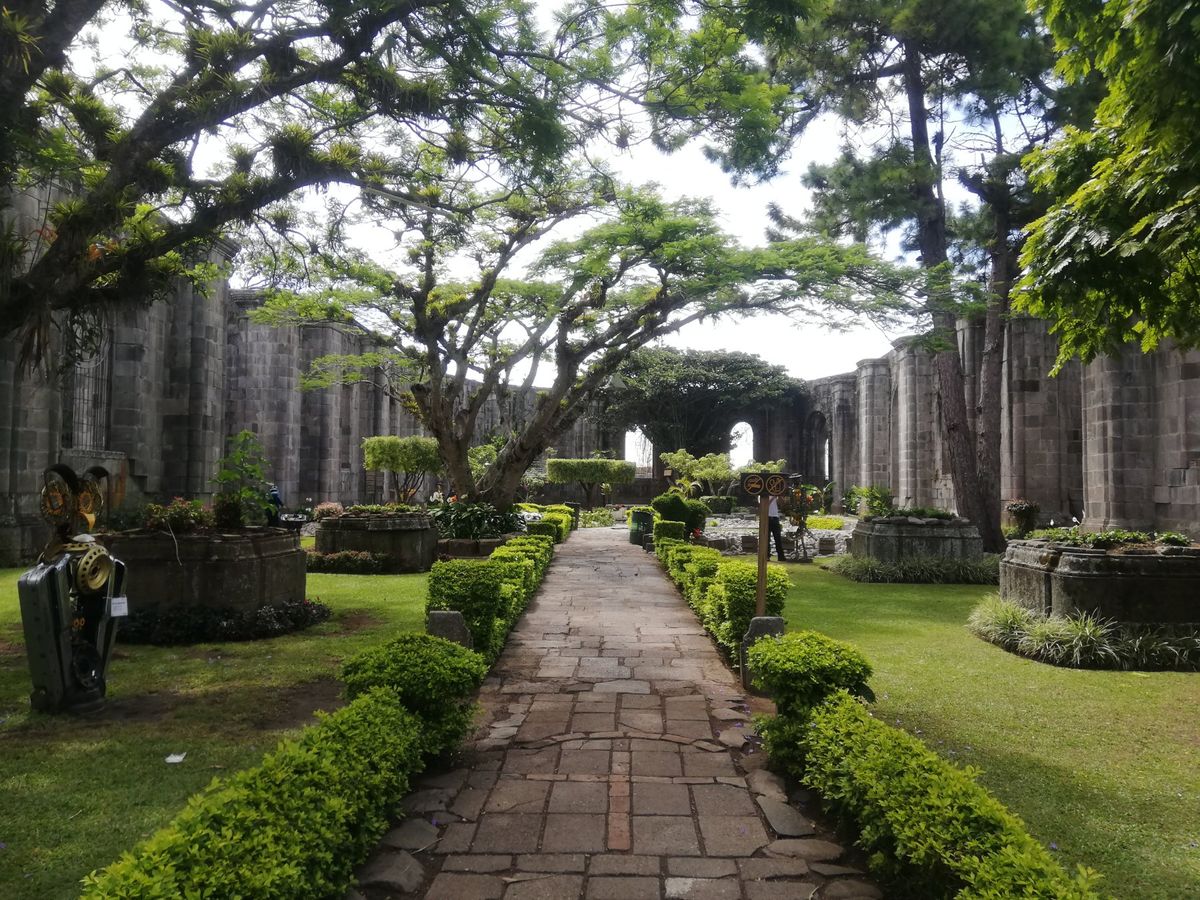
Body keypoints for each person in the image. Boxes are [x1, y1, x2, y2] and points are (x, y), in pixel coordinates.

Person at [767, 494, 786, 561]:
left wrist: (779, 496)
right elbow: (765, 504)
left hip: (775, 517)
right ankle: (767, 556)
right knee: (766, 538)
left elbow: (782, 503)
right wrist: (773, 497)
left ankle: (781, 556)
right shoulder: (761, 496)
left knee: (778, 538)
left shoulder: (775, 496)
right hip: (766, 517)